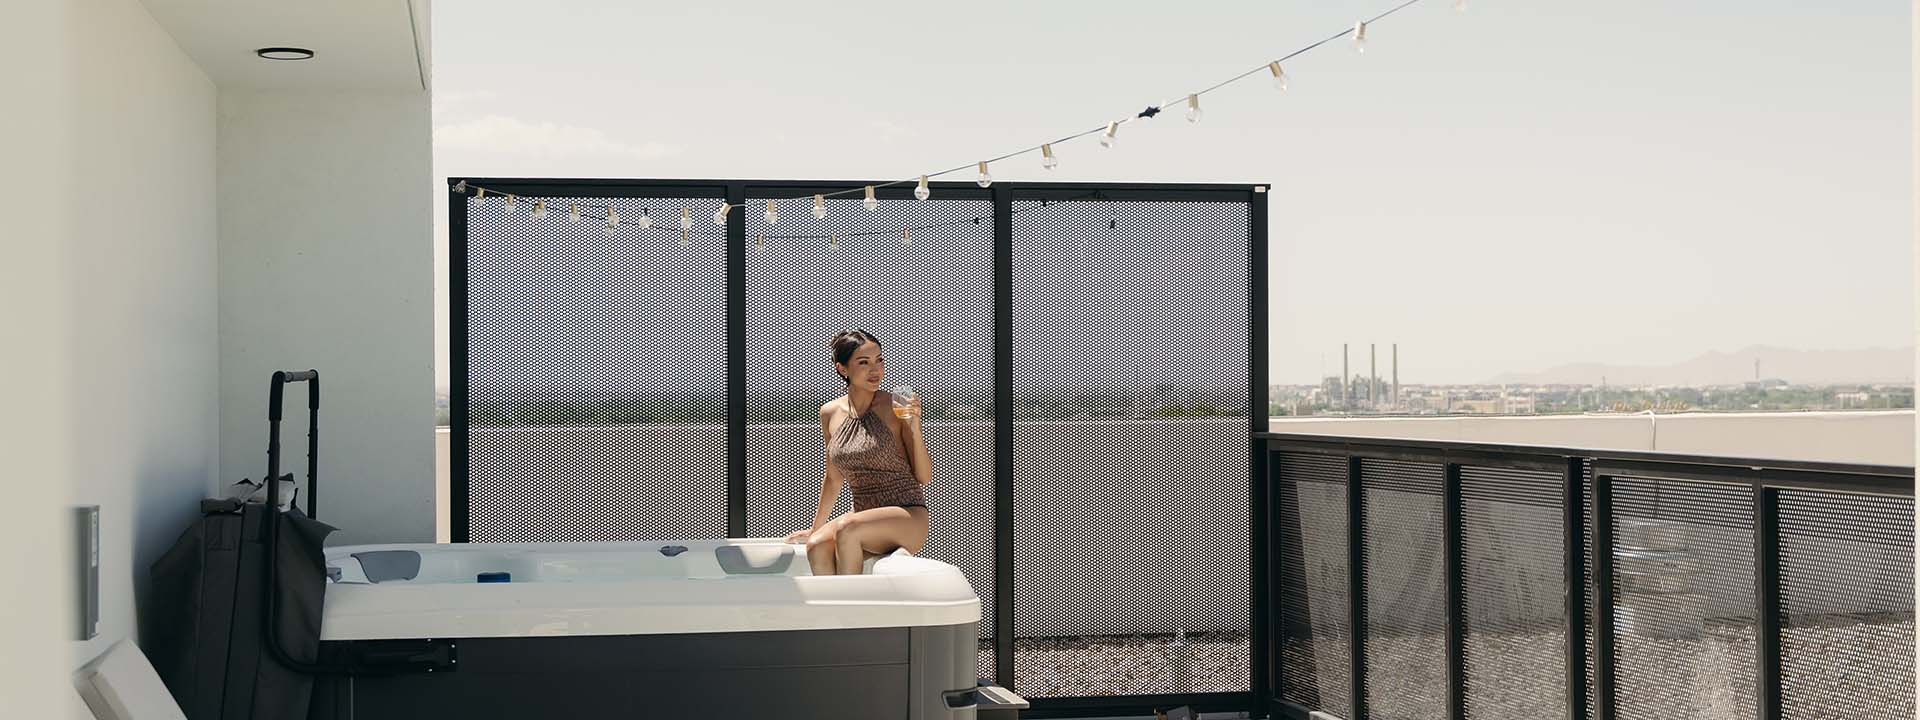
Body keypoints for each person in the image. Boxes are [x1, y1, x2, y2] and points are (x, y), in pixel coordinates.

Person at [784, 329, 931, 575]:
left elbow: (924, 477)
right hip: (861, 516)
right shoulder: (829, 412)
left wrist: (914, 427)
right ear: (842, 369)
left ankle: (852, 609)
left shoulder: (894, 405)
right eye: (864, 362)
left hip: (907, 514)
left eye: (879, 360)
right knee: (817, 545)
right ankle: (831, 612)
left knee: (847, 528)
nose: (875, 370)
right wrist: (815, 528)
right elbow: (833, 478)